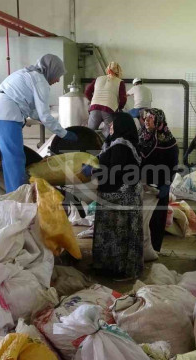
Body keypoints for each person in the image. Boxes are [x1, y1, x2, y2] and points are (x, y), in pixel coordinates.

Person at [0, 54, 77, 193]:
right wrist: (63, 133)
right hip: (6, 116)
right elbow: (44, 115)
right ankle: (18, 198)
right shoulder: (41, 81)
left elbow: (33, 112)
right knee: (14, 160)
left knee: (1, 153)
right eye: (57, 75)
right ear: (50, 70)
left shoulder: (24, 73)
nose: (57, 80)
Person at [81, 112, 143, 280]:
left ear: (121, 126)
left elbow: (114, 172)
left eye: (113, 124)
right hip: (116, 197)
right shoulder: (115, 143)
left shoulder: (121, 146)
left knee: (119, 234)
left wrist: (92, 171)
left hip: (120, 198)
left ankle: (121, 270)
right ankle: (107, 266)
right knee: (111, 233)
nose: (110, 126)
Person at [138, 108, 178, 253]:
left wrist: (166, 184)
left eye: (150, 118)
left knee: (156, 219)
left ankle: (154, 250)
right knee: (141, 218)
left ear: (159, 121)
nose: (146, 120)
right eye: (146, 117)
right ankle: (140, 249)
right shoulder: (141, 136)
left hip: (159, 186)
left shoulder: (169, 141)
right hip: (141, 184)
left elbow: (173, 166)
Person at [85, 62, 127, 137]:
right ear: (118, 71)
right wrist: (119, 108)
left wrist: (93, 101)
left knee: (90, 133)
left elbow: (87, 92)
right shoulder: (120, 82)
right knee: (109, 135)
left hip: (94, 108)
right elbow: (123, 99)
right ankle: (106, 148)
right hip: (109, 110)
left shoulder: (98, 79)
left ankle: (87, 147)